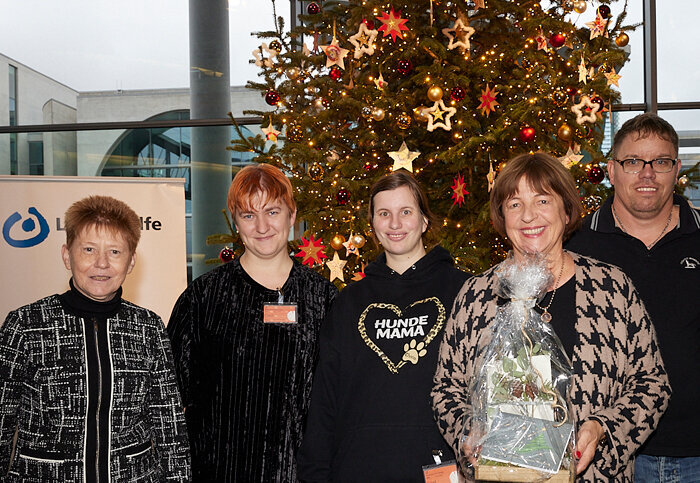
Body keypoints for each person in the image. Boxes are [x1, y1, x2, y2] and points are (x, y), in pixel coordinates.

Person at [432, 152, 671, 481]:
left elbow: (651, 385)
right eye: (514, 204)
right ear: (502, 216)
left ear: (567, 209)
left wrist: (603, 428)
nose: (528, 216)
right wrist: (468, 432)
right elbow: (446, 389)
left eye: (542, 200)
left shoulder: (612, 288)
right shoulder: (474, 296)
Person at [0, 195, 190, 482]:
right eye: (88, 249)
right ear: (67, 255)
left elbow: (170, 428)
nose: (101, 263)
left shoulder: (148, 327)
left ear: (131, 261)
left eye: (115, 252)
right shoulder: (25, 325)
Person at [167, 163, 337, 482]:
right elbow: (168, 399)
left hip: (303, 474)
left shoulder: (324, 299)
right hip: (219, 472)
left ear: (292, 213)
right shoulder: (203, 299)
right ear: (236, 221)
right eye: (249, 215)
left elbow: (340, 403)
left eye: (272, 212)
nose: (262, 227)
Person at [297, 169, 470, 482]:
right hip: (359, 470)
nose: (395, 224)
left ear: (424, 220)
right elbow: (325, 399)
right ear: (373, 223)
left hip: (442, 470)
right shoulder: (348, 303)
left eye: (406, 212)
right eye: (384, 213)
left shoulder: (463, 292)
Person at [566, 113, 700, 481]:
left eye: (660, 162)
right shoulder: (575, 245)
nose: (647, 174)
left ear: (676, 170)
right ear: (611, 170)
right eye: (632, 162)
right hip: (608, 457)